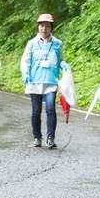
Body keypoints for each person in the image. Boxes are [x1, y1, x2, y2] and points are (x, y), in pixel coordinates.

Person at [20, 13, 67, 149]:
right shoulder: (32, 44)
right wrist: (25, 74)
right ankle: (37, 137)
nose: (44, 29)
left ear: (51, 28)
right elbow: (25, 61)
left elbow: (60, 59)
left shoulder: (57, 43)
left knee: (51, 109)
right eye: (41, 25)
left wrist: (63, 64)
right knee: (36, 110)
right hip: (35, 81)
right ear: (38, 27)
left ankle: (50, 138)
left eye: (47, 26)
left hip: (51, 81)